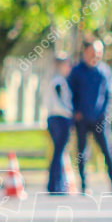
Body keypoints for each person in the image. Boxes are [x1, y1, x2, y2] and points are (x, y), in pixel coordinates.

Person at [69, 38, 112, 194]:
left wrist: (106, 113)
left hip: (100, 120)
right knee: (82, 152)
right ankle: (84, 185)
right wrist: (75, 111)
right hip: (82, 119)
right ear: (85, 52)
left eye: (99, 52)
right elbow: (70, 93)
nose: (96, 55)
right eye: (93, 52)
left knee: (108, 152)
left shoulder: (104, 71)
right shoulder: (77, 71)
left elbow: (110, 94)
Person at [45, 54, 73, 194]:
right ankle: (55, 184)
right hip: (60, 119)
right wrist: (71, 113)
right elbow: (60, 103)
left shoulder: (56, 81)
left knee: (58, 152)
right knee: (59, 152)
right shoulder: (58, 82)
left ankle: (56, 184)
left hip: (55, 118)